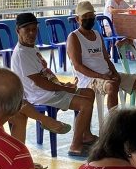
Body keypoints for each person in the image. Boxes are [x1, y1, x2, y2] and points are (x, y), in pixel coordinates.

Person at [10, 12, 94, 156]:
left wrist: (63, 84)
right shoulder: (21, 54)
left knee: (89, 93)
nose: (32, 33)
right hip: (41, 95)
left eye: (34, 29)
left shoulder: (32, 48)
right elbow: (41, 83)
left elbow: (46, 73)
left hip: (50, 91)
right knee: (85, 104)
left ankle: (84, 135)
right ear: (18, 31)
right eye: (27, 30)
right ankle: (75, 146)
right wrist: (63, 88)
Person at [69, 1, 136, 114]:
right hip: (90, 79)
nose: (89, 19)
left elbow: (106, 59)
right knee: (112, 86)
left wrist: (115, 73)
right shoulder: (74, 37)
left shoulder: (97, 35)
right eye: (85, 17)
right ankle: (113, 124)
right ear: (77, 19)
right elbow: (78, 66)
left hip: (107, 75)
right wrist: (101, 76)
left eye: (91, 16)